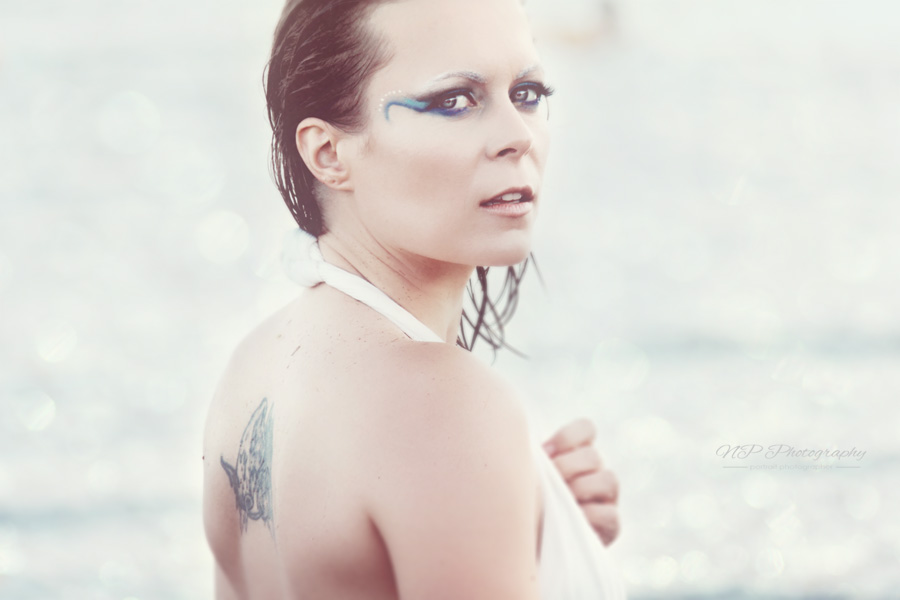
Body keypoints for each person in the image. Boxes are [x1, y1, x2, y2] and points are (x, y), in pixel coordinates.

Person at [202, 0, 625, 597]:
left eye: (527, 93)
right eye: (454, 101)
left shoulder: (257, 364)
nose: (517, 136)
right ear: (328, 153)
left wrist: (531, 525)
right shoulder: (445, 411)